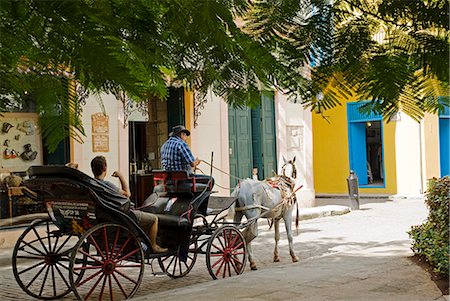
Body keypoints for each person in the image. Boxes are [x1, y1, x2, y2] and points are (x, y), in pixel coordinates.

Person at [90, 156, 167, 253]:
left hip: (105, 216)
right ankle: (154, 246)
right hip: (122, 217)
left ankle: (142, 242)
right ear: (105, 168)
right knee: (154, 219)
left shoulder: (92, 185)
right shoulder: (107, 185)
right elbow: (127, 194)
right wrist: (121, 176)